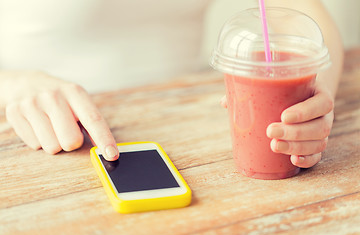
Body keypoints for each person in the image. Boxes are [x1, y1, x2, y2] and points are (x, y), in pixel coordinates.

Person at [0, 0, 343, 168]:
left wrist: (317, 94)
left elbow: (308, 18)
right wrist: (15, 84)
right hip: (43, 138)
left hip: (189, 127)